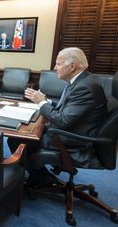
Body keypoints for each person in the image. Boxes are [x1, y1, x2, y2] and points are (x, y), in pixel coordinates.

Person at [10, 47, 107, 187]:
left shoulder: (85, 87)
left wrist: (41, 102)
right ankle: (41, 175)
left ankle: (39, 178)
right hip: (73, 131)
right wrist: (47, 101)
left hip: (73, 139)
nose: (55, 67)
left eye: (59, 63)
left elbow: (63, 120)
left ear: (72, 66)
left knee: (18, 139)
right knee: (22, 136)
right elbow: (70, 108)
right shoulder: (84, 81)